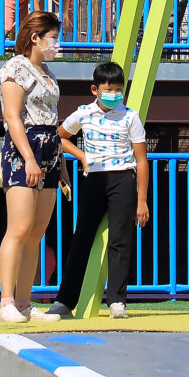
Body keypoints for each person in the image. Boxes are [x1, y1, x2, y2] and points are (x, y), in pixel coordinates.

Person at [44, 61, 150, 320]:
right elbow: (60, 136)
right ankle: (65, 301)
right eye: (108, 89)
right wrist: (81, 156)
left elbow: (141, 159)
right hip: (93, 179)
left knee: (120, 239)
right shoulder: (84, 114)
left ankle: (117, 301)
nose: (114, 95)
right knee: (82, 238)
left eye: (118, 90)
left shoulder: (130, 116)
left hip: (123, 179)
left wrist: (142, 200)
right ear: (95, 90)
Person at [0, 11, 64, 324]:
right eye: (52, 37)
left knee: (37, 231)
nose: (56, 44)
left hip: (51, 148)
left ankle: (24, 301)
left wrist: (58, 165)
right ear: (35, 37)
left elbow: (53, 116)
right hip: (25, 148)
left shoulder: (46, 70)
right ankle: (6, 301)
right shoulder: (15, 68)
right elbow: (12, 116)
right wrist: (30, 158)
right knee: (19, 228)